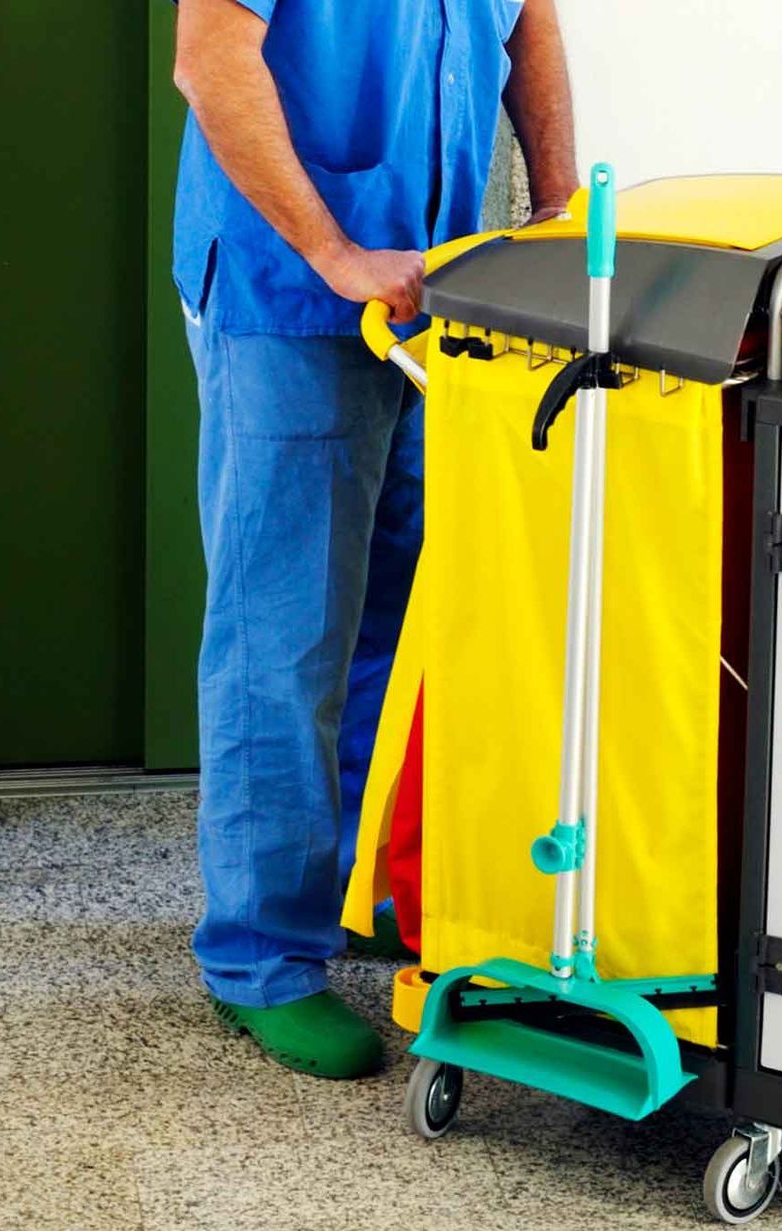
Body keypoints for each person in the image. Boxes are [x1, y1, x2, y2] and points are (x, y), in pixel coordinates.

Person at [170, 0, 578, 1079]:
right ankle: (262, 956)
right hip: (290, 297)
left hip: (436, 288)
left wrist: (557, 205)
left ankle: (360, 883)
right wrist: (334, 251)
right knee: (284, 633)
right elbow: (211, 62)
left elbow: (529, 23)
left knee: (401, 611)